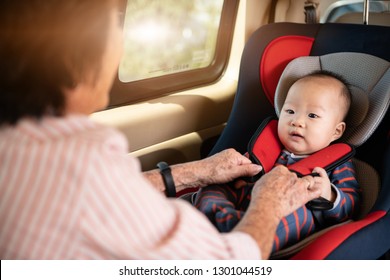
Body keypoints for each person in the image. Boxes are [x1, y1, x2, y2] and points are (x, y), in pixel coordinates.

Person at [0, 0, 321, 260]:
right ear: (74, 54)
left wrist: (192, 173)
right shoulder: (78, 162)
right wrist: (269, 203)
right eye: (116, 24)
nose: (122, 45)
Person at [194, 71, 361, 253]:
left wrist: (329, 195)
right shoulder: (269, 146)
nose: (297, 121)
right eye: (290, 111)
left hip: (288, 213)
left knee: (299, 216)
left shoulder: (337, 163)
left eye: (312, 116)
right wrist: (238, 173)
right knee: (212, 185)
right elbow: (239, 171)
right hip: (243, 202)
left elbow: (351, 205)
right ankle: (224, 222)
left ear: (336, 131)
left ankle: (230, 232)